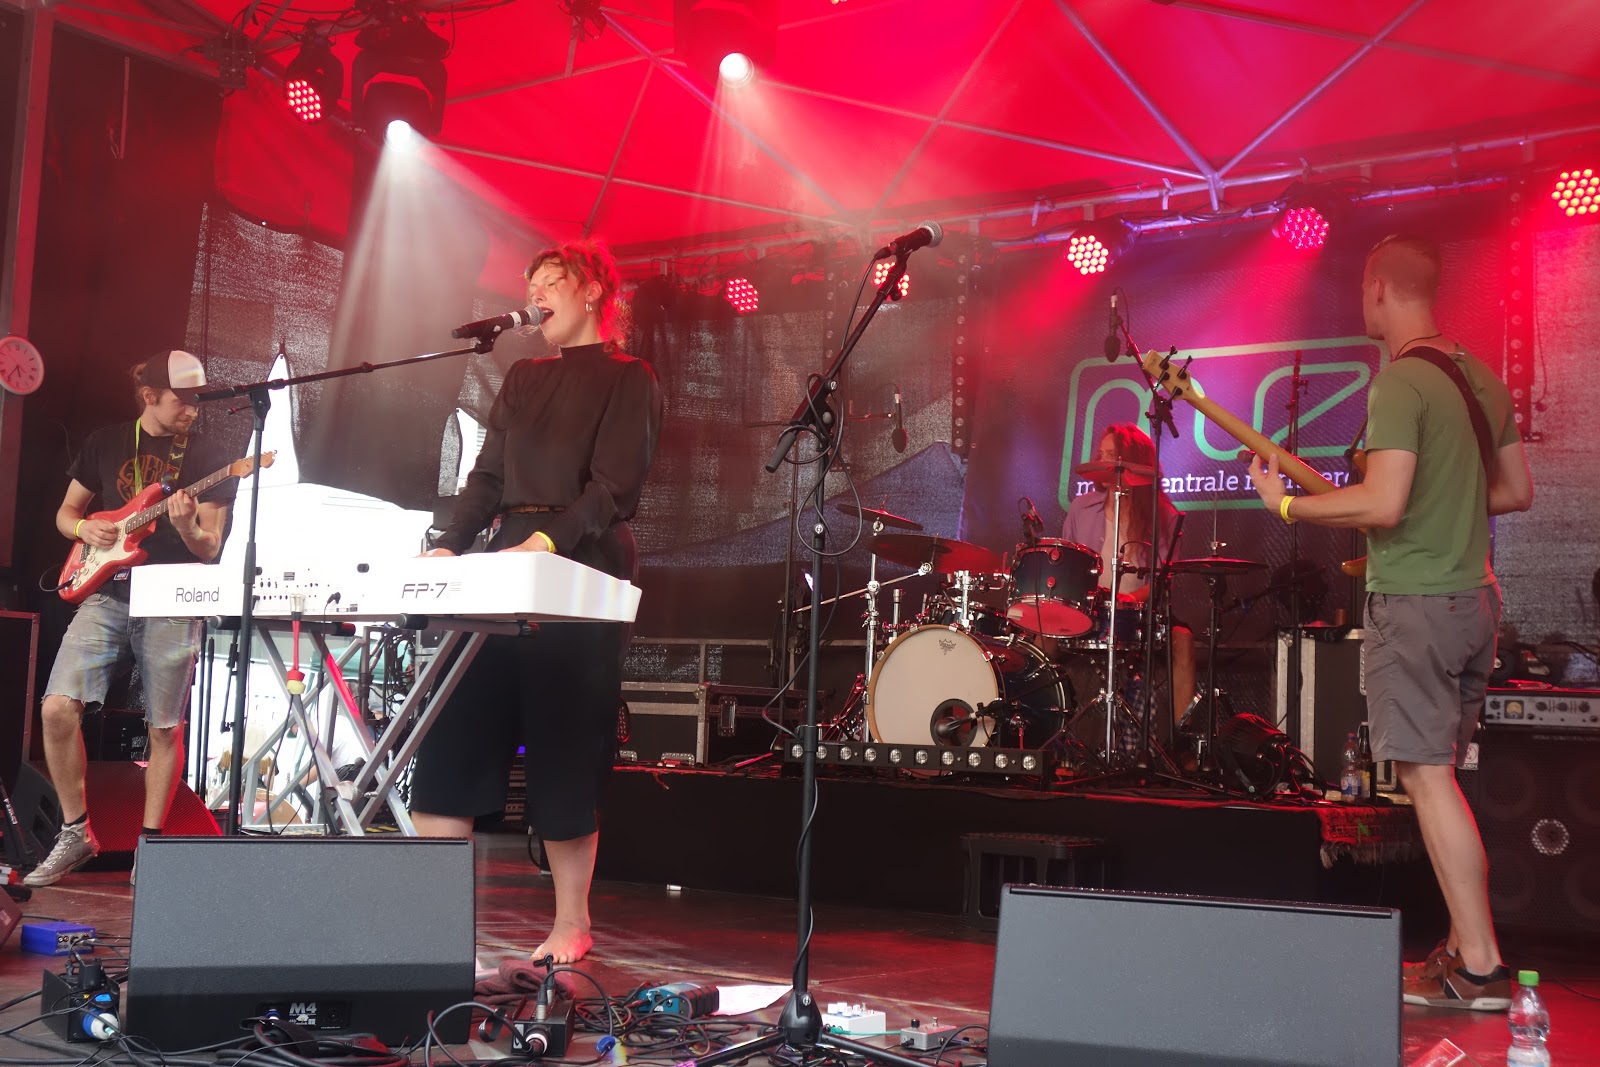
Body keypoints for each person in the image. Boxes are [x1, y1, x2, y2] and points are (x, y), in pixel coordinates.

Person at [1248, 234, 1533, 1010]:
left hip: (1417, 603)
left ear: (1377, 287)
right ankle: (1463, 949)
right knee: (1439, 780)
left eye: (1362, 290)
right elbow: (1515, 490)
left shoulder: (1402, 380)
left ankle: (1481, 968)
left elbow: (1382, 503)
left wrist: (1284, 503)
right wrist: (1441, 499)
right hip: (1473, 602)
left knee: (1428, 780)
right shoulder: (1480, 377)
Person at [414, 240, 662, 965]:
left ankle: (571, 923)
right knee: (454, 726)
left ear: (592, 291)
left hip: (582, 557)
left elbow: (614, 486)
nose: (537, 294)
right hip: (507, 557)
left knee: (565, 738)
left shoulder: (630, 376)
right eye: (533, 284)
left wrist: (547, 542)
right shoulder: (522, 377)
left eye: (552, 281)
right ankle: (433, 928)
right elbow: (487, 477)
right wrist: (449, 544)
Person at [27, 351, 235, 886]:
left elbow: (210, 547)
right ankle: (75, 832)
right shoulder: (106, 441)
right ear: (150, 396)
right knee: (56, 709)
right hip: (107, 589)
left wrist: (187, 528)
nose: (192, 409)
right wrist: (83, 530)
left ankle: (151, 846)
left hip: (172, 596)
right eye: (182, 401)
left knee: (163, 726)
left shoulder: (212, 456)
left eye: (196, 400)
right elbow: (67, 513)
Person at [1061, 423, 1197, 725]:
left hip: (1138, 615)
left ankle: (1184, 740)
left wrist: (1131, 599)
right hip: (1088, 610)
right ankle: (1036, 732)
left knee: (1183, 640)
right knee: (1040, 629)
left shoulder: (1164, 515)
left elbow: (1163, 580)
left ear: (1133, 462)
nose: (1103, 461)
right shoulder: (1081, 508)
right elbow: (1067, 565)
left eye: (1112, 454)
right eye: (1101, 454)